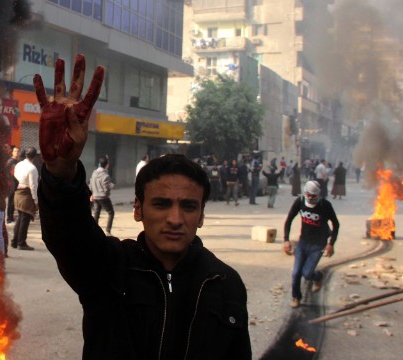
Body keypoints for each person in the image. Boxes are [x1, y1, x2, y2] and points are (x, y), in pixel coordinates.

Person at [34, 54, 251, 359]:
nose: (175, 219)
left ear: (201, 215)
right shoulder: (108, 268)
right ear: (138, 209)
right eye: (161, 204)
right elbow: (67, 233)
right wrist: (60, 170)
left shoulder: (225, 284)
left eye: (188, 206)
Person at [283, 180, 339, 308]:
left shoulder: (325, 205)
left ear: (318, 195)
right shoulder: (300, 202)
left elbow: (336, 224)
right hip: (303, 242)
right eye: (307, 195)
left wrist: (331, 244)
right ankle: (296, 297)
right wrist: (286, 240)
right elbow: (289, 220)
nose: (309, 198)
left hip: (318, 245)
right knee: (296, 272)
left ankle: (318, 276)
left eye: (312, 196)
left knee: (307, 273)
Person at [11, 146, 39, 250]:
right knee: (25, 219)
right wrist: (35, 200)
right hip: (26, 194)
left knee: (20, 218)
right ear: (34, 156)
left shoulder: (19, 164)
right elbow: (33, 186)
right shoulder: (32, 168)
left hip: (18, 192)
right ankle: (21, 242)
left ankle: (15, 241)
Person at [89, 156, 115, 235]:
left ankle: (94, 231)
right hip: (103, 197)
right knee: (111, 212)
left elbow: (90, 185)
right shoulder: (106, 176)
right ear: (107, 165)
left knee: (96, 213)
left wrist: (92, 194)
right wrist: (110, 186)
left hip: (95, 196)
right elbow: (106, 189)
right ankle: (108, 231)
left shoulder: (94, 173)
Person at [5, 146, 21, 223]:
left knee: (14, 201)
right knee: (10, 201)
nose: (16, 153)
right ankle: (8, 217)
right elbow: (7, 173)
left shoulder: (18, 161)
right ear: (12, 152)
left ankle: (11, 216)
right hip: (11, 183)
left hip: (17, 183)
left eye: (18, 151)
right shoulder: (10, 161)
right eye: (15, 151)